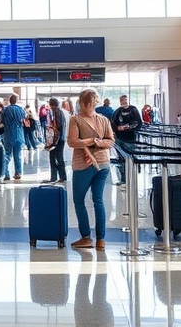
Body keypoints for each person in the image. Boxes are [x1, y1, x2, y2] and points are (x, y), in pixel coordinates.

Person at [66, 88, 114, 250]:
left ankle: (86, 237)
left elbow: (72, 142)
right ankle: (101, 240)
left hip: (83, 165)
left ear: (83, 103)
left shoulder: (76, 120)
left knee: (79, 200)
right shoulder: (103, 120)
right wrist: (97, 142)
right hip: (103, 164)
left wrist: (89, 141)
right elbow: (110, 141)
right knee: (98, 200)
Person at [0, 94, 26, 181]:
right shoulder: (20, 110)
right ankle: (18, 173)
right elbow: (23, 120)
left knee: (7, 155)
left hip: (8, 134)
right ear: (16, 100)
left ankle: (6, 174)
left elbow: (2, 121)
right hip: (18, 134)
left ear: (9, 101)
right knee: (17, 155)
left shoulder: (5, 110)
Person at [46, 97, 68, 183]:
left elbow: (57, 127)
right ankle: (62, 176)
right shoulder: (60, 112)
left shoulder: (54, 112)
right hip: (61, 138)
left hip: (55, 139)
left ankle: (55, 177)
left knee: (54, 158)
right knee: (59, 157)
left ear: (51, 104)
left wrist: (53, 141)